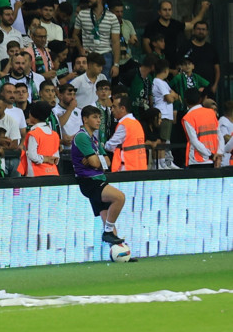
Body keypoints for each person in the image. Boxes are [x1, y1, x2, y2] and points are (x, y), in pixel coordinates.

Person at [72, 105, 129, 247]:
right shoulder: (81, 137)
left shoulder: (94, 140)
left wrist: (96, 159)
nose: (98, 121)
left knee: (107, 217)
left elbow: (106, 162)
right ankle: (108, 233)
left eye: (99, 117)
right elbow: (95, 162)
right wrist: (96, 160)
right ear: (85, 119)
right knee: (119, 197)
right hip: (90, 182)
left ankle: (120, 252)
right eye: (95, 117)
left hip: (97, 179)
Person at [73, 0, 120, 79]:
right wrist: (80, 49)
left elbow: (116, 42)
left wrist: (116, 65)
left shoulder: (112, 17)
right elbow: (75, 35)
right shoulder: (82, 15)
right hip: (88, 56)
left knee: (104, 87)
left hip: (105, 56)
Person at [181, 88, 223, 168]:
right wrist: (218, 154)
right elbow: (219, 135)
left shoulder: (188, 117)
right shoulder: (211, 113)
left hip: (197, 160)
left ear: (185, 101)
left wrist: (211, 155)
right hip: (214, 159)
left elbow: (194, 141)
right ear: (200, 99)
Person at [104, 95, 147, 172]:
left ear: (123, 108)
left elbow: (110, 146)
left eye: (114, 107)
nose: (112, 110)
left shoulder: (124, 124)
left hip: (127, 167)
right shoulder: (136, 123)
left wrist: (102, 145)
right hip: (139, 166)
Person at [17, 101, 60, 177]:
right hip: (53, 173)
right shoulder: (54, 134)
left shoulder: (34, 133)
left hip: (36, 174)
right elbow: (56, 157)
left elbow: (32, 155)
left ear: (31, 115)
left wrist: (46, 159)